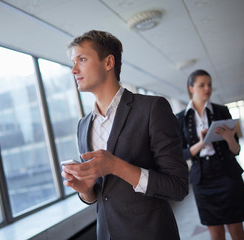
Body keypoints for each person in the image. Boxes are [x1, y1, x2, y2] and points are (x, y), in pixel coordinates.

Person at [61, 30, 189, 240]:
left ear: (108, 62)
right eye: (73, 62)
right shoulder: (83, 126)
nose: (74, 69)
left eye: (82, 59)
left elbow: (178, 186)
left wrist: (116, 166)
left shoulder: (152, 108)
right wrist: (85, 190)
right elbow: (100, 196)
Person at [176, 69, 244, 240]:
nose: (207, 88)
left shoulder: (221, 111)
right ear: (191, 88)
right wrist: (202, 143)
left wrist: (228, 137)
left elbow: (236, 150)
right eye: (201, 85)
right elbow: (180, 154)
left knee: (236, 229)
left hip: (228, 174)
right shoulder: (180, 118)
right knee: (215, 233)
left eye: (209, 84)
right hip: (203, 178)